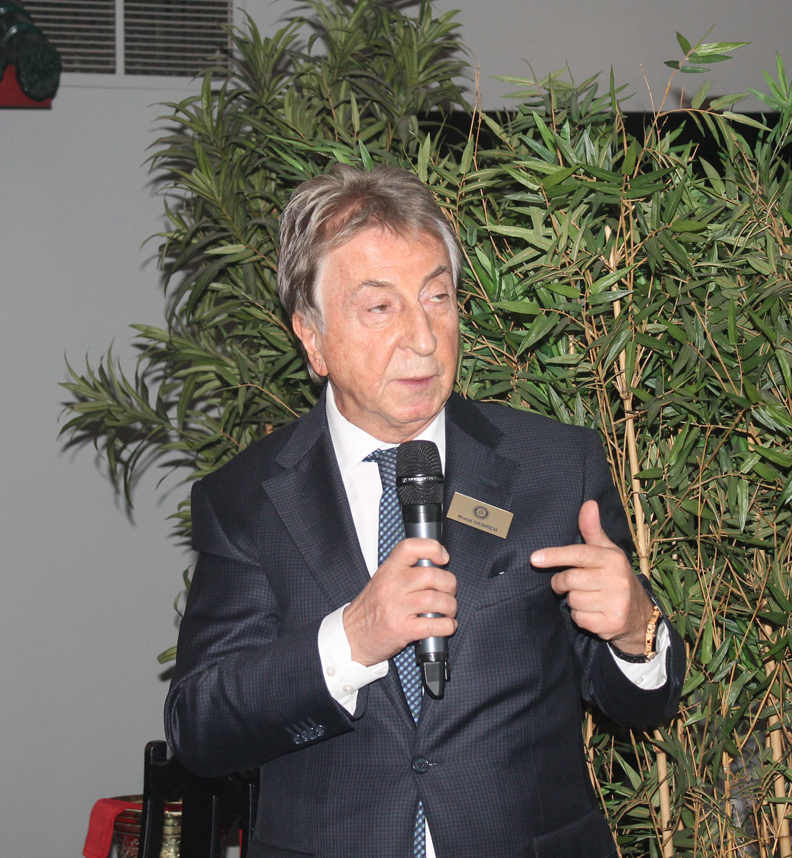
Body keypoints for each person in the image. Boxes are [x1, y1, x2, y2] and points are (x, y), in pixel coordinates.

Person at [165, 163, 685, 858]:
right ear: (312, 338)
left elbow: (642, 702)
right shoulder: (246, 499)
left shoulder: (557, 467)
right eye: (380, 308)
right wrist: (349, 641)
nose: (422, 337)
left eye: (437, 297)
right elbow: (200, 730)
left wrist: (636, 630)